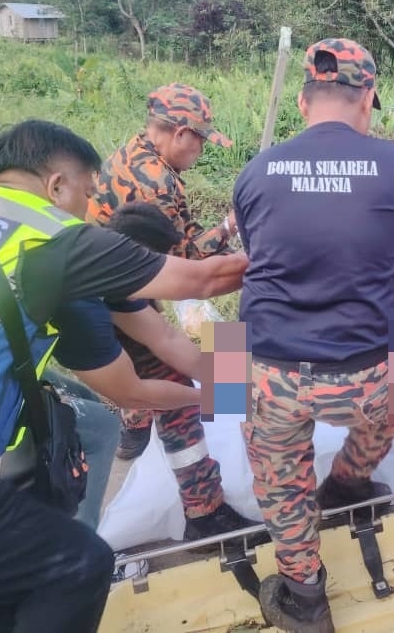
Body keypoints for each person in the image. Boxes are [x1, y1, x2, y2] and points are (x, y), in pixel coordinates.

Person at [0, 119, 248, 633]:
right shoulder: (55, 245)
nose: (89, 206)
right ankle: (194, 505)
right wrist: (220, 394)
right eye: (87, 191)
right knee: (78, 563)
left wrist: (229, 380)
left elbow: (166, 336)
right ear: (56, 185)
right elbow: (195, 290)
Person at [233, 38, 394, 632]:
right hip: (366, 373)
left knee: (279, 474)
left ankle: (305, 593)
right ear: (367, 97)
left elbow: (254, 255)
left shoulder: (256, 169)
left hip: (268, 365)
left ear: (300, 101)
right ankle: (347, 483)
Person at [87, 82, 240, 462]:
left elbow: (179, 243)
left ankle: (135, 429)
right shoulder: (155, 182)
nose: (201, 150)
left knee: (152, 354)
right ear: (181, 132)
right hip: (114, 292)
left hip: (117, 285)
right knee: (174, 388)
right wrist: (232, 236)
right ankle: (203, 508)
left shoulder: (132, 154)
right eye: (201, 141)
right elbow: (187, 268)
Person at [103, 202, 259, 543]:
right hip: (32, 376)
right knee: (176, 401)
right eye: (158, 259)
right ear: (140, 254)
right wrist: (209, 394)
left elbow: (166, 338)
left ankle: (136, 431)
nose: (162, 266)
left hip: (113, 342)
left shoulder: (113, 265)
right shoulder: (108, 289)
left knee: (223, 350)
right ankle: (205, 515)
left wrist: (227, 382)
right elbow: (133, 388)